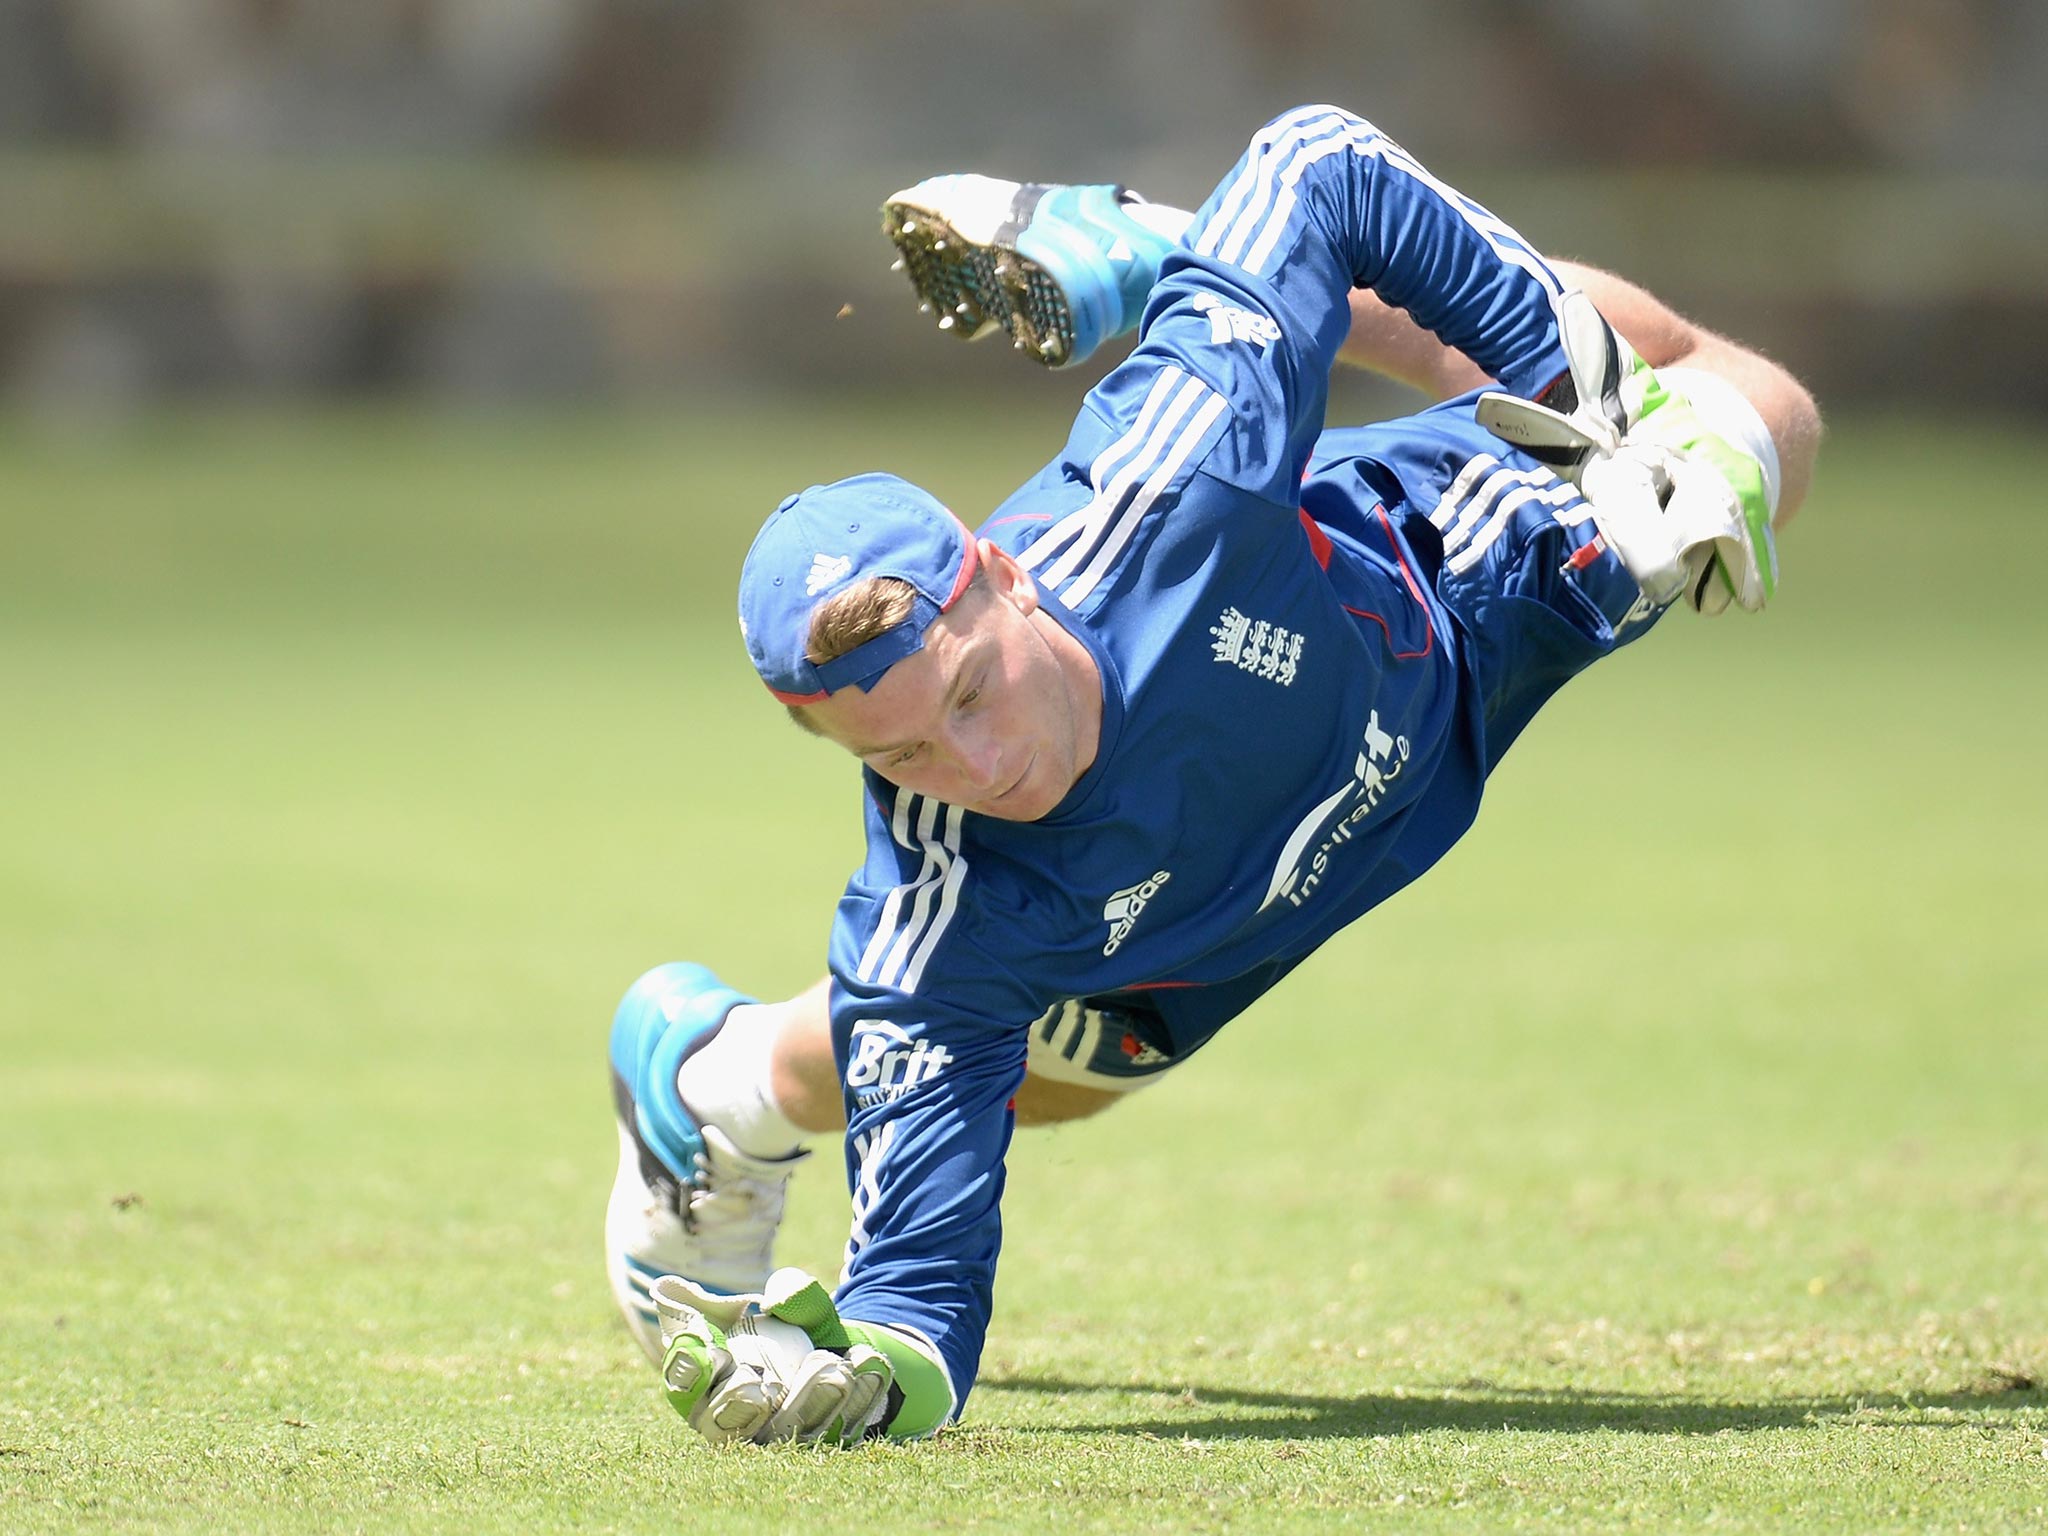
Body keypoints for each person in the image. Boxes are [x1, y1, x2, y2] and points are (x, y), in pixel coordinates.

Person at [604, 103, 1823, 1446]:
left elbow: (1318, 161)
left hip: (1439, 603)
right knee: (1025, 1081)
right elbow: (916, 1305)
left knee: (1736, 407)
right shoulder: (942, 915)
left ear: (1004, 579)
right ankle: (711, 1080)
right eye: (902, 755)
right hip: (1176, 937)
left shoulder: (1172, 483)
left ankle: (1194, 263)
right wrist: (876, 1382)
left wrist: (1617, 414)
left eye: (970, 692)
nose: (979, 764)